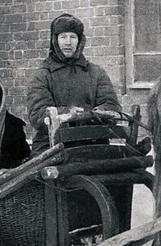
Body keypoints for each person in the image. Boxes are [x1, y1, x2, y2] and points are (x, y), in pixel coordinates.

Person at [27, 13, 121, 153]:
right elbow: (38, 114)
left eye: (73, 37)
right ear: (55, 40)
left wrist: (91, 115)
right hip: (53, 147)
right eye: (63, 37)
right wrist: (68, 113)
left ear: (80, 41)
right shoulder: (43, 75)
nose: (68, 42)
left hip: (93, 145)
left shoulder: (96, 73)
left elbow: (112, 106)